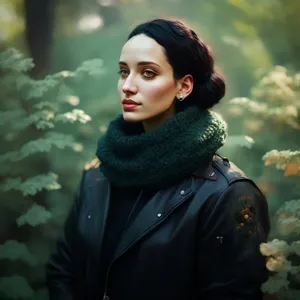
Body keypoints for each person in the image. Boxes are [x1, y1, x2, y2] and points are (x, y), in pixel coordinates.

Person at [46, 18, 270, 300]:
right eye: (123, 71)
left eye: (148, 73)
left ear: (184, 86)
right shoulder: (98, 175)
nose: (128, 86)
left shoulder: (228, 193)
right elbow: (63, 270)